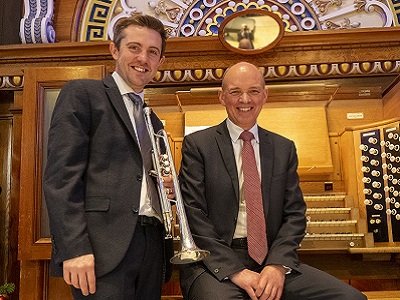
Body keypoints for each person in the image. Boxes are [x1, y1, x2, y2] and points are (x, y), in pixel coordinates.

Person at [178, 61, 367, 300]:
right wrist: (235, 270)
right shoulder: (198, 145)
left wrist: (277, 265)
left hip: (271, 258)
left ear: (265, 95)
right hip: (215, 263)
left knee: (350, 298)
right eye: (235, 92)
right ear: (222, 96)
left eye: (254, 91)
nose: (245, 100)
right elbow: (192, 214)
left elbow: (295, 215)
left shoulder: (283, 148)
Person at [43, 14, 174, 299]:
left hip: (151, 242)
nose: (144, 58)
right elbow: (61, 178)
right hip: (102, 246)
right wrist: (74, 248)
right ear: (114, 50)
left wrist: (162, 188)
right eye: (134, 48)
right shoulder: (83, 94)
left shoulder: (154, 121)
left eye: (153, 52)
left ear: (160, 62)